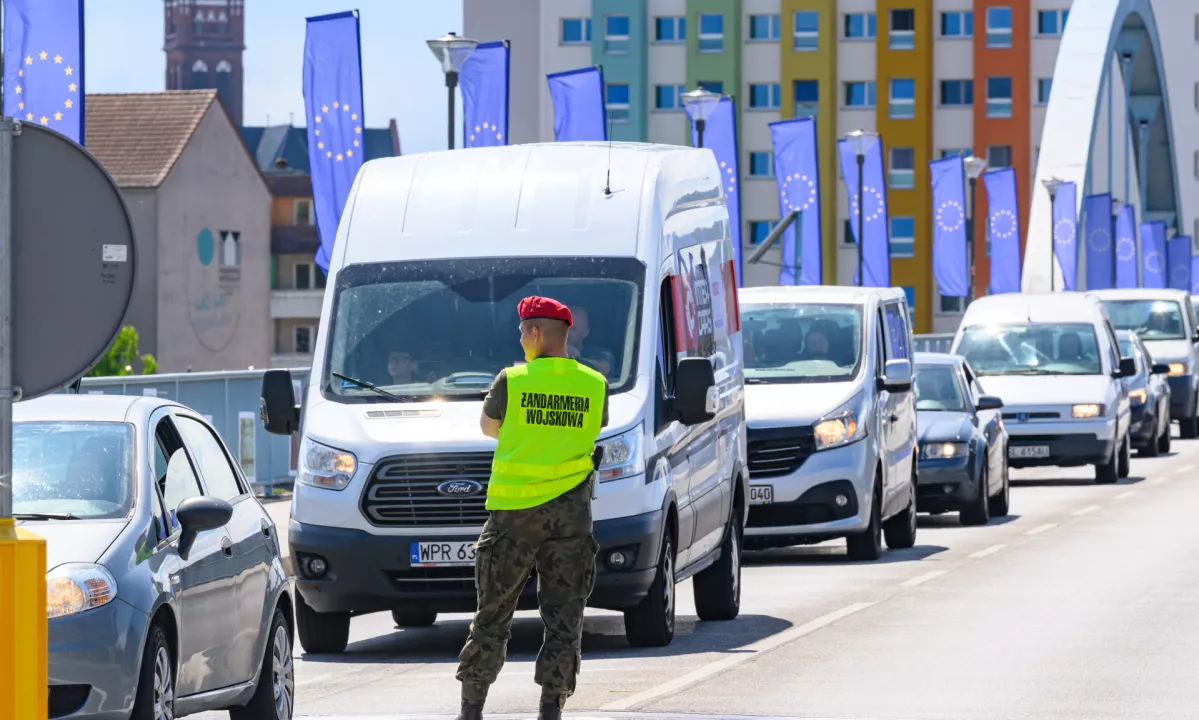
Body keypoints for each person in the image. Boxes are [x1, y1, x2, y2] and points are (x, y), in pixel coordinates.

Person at [456, 295, 609, 720]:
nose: (521, 338)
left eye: (524, 331)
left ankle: (471, 709)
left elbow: (489, 428)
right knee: (565, 617)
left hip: (514, 515)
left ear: (537, 333)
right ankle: (550, 708)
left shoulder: (512, 380)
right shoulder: (595, 384)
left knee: (492, 615)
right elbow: (593, 429)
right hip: (571, 516)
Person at [566, 306, 615, 377]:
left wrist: (576, 359)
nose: (566, 333)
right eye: (563, 328)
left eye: (572, 329)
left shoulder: (600, 354)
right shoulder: (550, 351)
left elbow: (605, 369)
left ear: (585, 332)